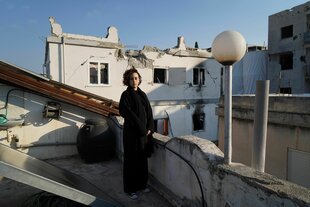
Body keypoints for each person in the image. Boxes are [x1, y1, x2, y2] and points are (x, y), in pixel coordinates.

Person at [119, 68, 154, 200]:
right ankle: (130, 189)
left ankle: (142, 185)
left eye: (136, 78)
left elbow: (149, 112)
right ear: (127, 81)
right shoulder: (125, 95)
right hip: (132, 134)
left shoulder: (143, 94)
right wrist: (142, 129)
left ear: (139, 79)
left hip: (143, 134)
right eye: (131, 78)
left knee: (142, 160)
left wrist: (150, 127)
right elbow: (128, 114)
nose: (134, 81)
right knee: (131, 161)